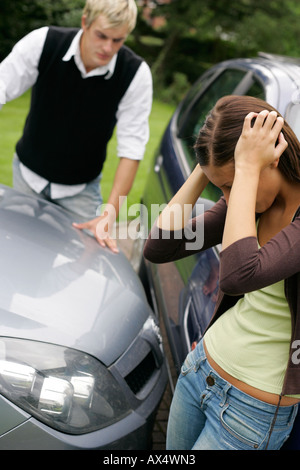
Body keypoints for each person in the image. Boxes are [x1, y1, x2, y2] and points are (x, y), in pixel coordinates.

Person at [143, 95, 300, 450]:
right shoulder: (249, 203)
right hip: (200, 369)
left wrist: (242, 170)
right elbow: (160, 247)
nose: (228, 196)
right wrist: (207, 163)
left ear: (272, 157)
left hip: (253, 409)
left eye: (232, 184)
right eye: (221, 187)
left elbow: (238, 275)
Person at [0, 0, 152, 252]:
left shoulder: (136, 74)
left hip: (80, 191)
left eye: (118, 40)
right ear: (85, 22)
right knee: (15, 251)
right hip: (26, 175)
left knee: (85, 261)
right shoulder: (43, 42)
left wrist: (109, 215)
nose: (107, 48)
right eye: (101, 36)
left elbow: (132, 149)